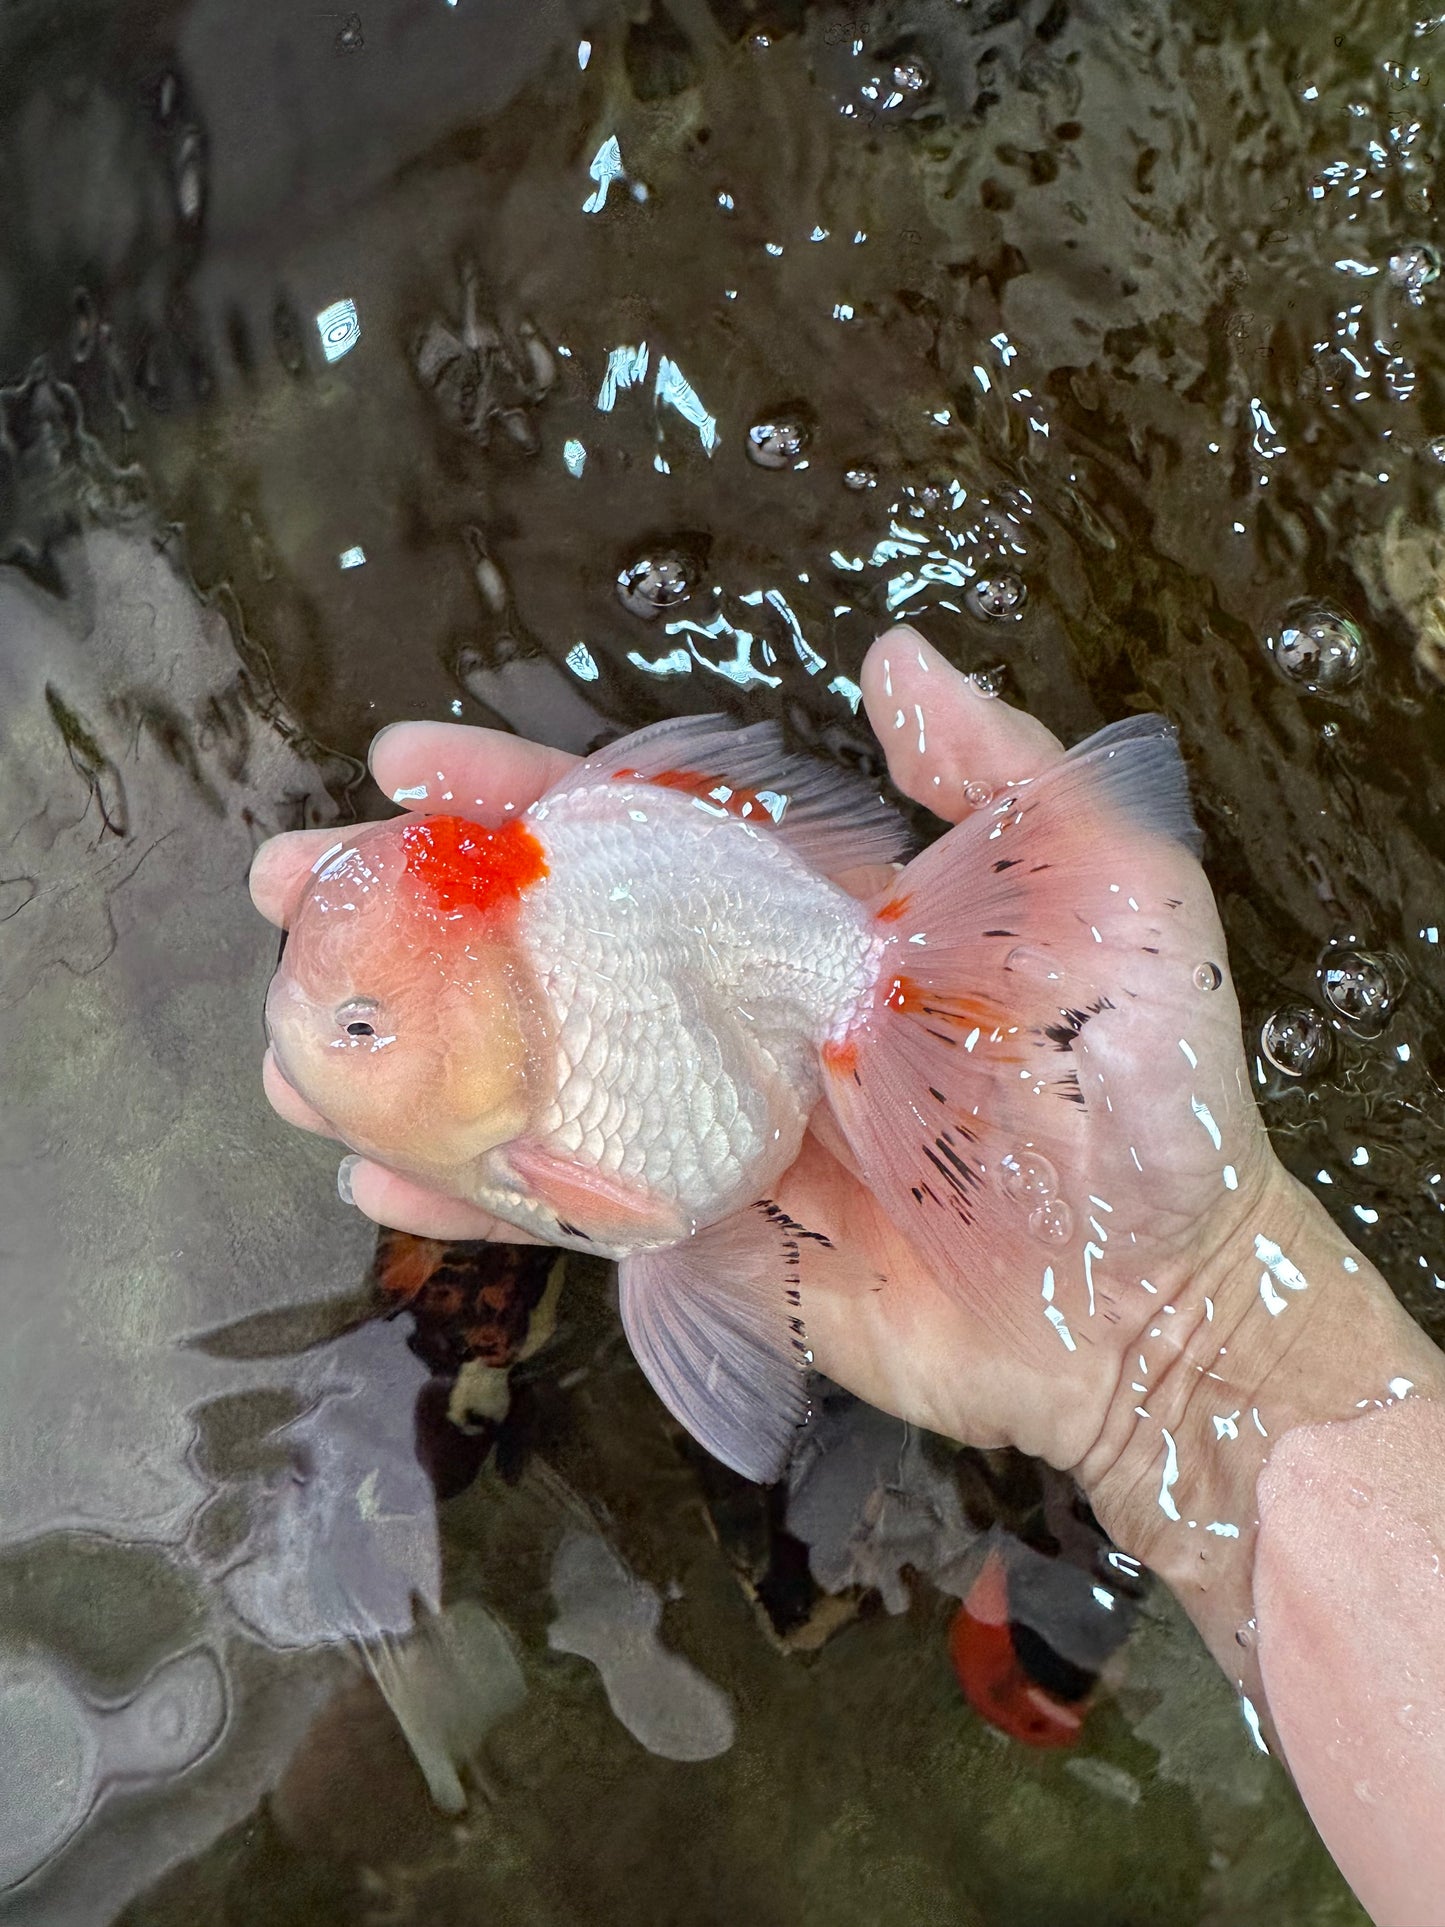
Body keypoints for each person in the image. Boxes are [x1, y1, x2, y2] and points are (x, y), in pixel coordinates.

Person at [251, 625, 1445, 1927]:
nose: (314, 1040)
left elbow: (641, 1211)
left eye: (357, 1026)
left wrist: (1173, 1325)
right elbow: (651, 1218)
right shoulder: (534, 995)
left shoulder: (551, 1118)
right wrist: (1184, 1334)